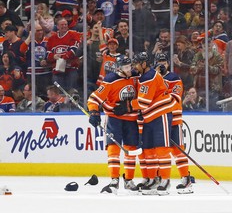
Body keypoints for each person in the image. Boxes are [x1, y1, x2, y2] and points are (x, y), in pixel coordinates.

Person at [115, 52, 176, 195]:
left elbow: (144, 102)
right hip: (149, 117)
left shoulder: (149, 77)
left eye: (136, 64)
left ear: (144, 64)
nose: (134, 67)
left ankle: (165, 180)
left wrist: (127, 106)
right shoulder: (144, 76)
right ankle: (153, 178)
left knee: (161, 149)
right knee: (148, 150)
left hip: (161, 114)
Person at [87, 57, 139, 194]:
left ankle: (129, 180)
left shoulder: (136, 76)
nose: (129, 69)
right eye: (126, 67)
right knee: (113, 149)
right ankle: (114, 179)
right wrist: (93, 112)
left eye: (130, 66)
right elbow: (94, 98)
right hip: (114, 118)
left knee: (131, 149)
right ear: (119, 69)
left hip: (132, 118)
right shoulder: (110, 80)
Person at [154, 53, 194, 194]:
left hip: (174, 119)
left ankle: (186, 178)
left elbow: (174, 97)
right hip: (158, 120)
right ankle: (161, 178)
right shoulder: (152, 79)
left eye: (164, 62)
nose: (162, 64)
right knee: (160, 151)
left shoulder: (174, 78)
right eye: (159, 62)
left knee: (178, 151)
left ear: (168, 64)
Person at [46, 18, 81, 92]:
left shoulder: (73, 35)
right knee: (58, 92)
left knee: (71, 92)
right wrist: (54, 56)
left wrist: (63, 57)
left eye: (66, 24)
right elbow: (47, 55)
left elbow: (74, 50)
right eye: (62, 24)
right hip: (57, 71)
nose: (64, 26)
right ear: (57, 26)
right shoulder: (51, 39)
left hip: (71, 69)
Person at [20, 24, 51, 97]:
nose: (40, 32)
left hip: (45, 73)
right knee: (33, 95)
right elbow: (22, 50)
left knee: (46, 95)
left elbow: (51, 53)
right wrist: (30, 36)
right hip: (32, 73)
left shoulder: (47, 40)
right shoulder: (29, 42)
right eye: (37, 31)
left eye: (41, 30)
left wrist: (47, 61)